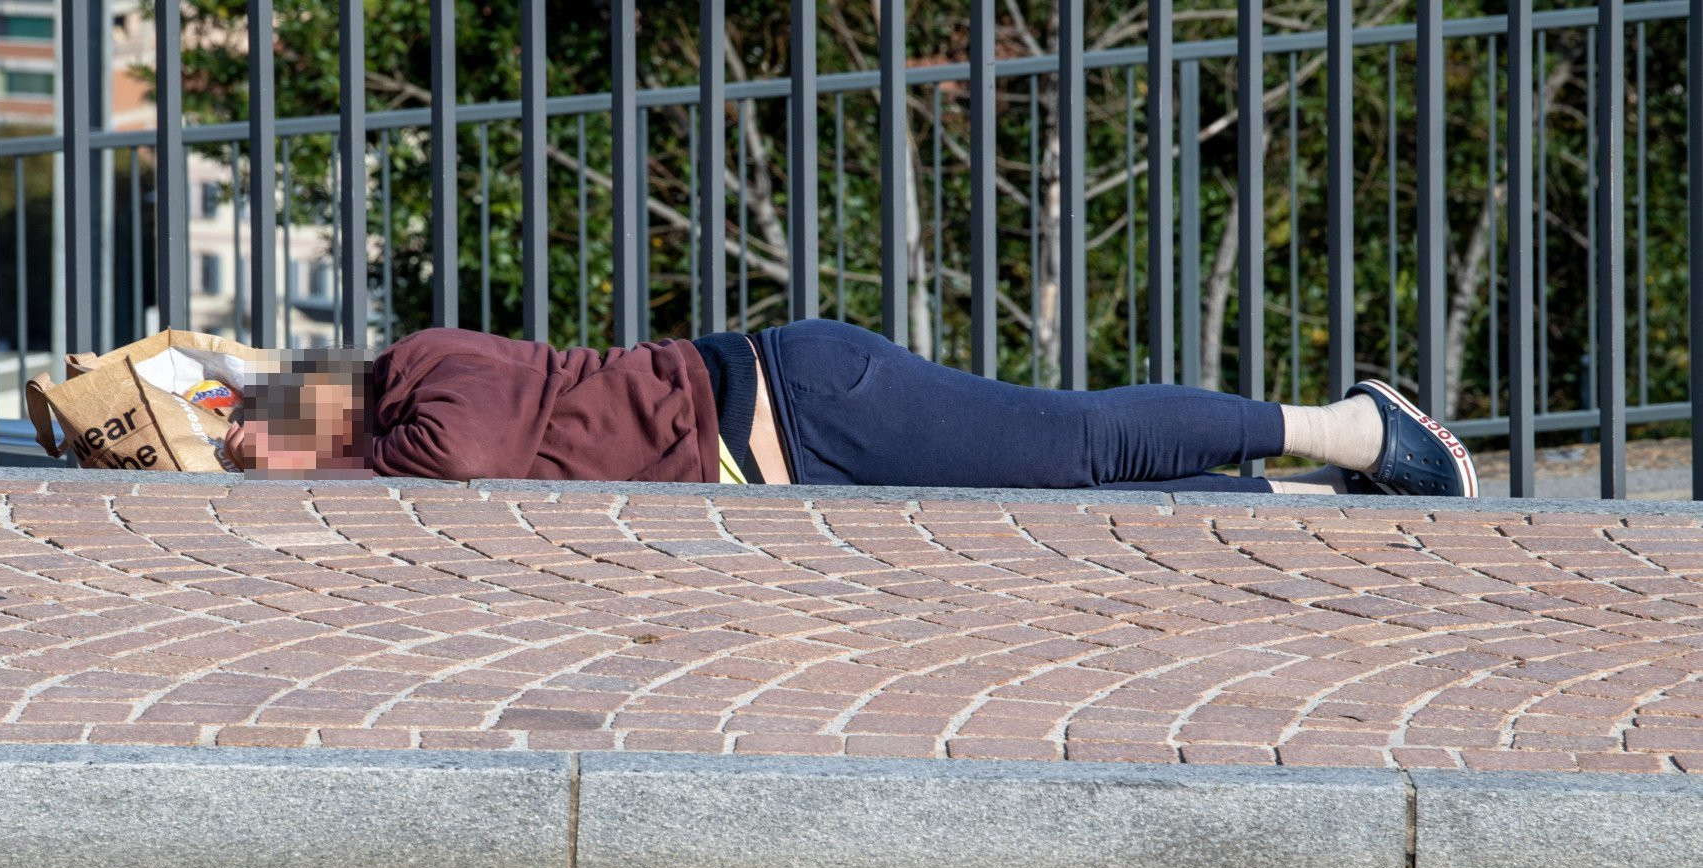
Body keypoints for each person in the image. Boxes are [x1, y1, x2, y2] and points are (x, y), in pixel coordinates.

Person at [221, 319, 1477, 499]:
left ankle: (1357, 428)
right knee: (1060, 507)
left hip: (804, 403)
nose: (256, 461)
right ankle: (1294, 495)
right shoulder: (392, 418)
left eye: (265, 434)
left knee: (1074, 441)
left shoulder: (428, 374)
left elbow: (468, 461)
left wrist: (302, 472)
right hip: (795, 452)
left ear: (316, 399)